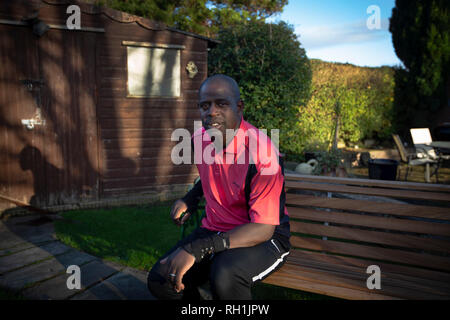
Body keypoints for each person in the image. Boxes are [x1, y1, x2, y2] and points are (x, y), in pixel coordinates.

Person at [147, 74, 290, 300]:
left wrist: (198, 249)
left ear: (239, 106)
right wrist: (191, 199)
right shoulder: (199, 139)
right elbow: (213, 178)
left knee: (224, 276)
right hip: (214, 228)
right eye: (205, 105)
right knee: (162, 278)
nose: (211, 111)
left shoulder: (263, 153)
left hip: (262, 236)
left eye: (221, 103)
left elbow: (263, 228)